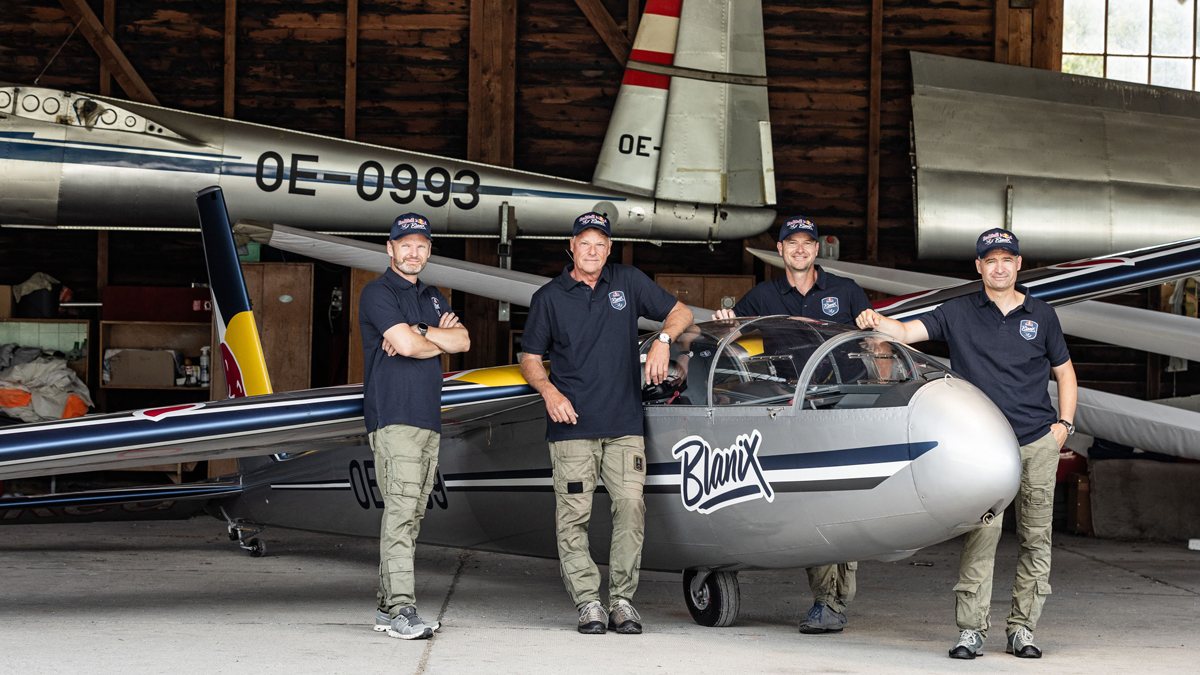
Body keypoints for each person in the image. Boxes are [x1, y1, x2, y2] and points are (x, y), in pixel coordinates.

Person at [856, 227, 1078, 660]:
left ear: (1018, 264)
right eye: (989, 260)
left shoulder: (1042, 315)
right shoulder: (957, 311)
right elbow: (904, 333)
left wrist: (1064, 425)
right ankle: (971, 630)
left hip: (1036, 440)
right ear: (978, 267)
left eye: (1006, 259)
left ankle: (1023, 629)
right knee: (982, 534)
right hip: (983, 446)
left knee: (1036, 537)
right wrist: (875, 322)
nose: (999, 266)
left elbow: (1065, 373)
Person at [520, 212, 694, 635]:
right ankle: (587, 603)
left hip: (623, 424)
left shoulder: (628, 282)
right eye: (585, 242)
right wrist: (549, 392)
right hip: (572, 425)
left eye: (601, 243)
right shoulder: (549, 297)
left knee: (631, 508)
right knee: (573, 515)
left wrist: (662, 341)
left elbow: (681, 312)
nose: (593, 250)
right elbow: (528, 358)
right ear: (571, 245)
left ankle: (621, 601)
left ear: (609, 248)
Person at [713, 215, 871, 634]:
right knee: (812, 501)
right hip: (794, 411)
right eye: (792, 243)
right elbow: (731, 331)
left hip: (846, 407)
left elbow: (871, 339)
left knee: (846, 499)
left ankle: (837, 597)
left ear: (817, 249)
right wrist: (725, 318)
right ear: (780, 250)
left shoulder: (845, 291)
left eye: (808, 243)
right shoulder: (763, 295)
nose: (800, 249)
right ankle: (826, 599)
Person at [359, 213, 471, 640]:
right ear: (390, 249)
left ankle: (388, 611)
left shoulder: (434, 296)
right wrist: (424, 339)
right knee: (402, 513)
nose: (414, 252)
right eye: (405, 244)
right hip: (395, 416)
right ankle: (403, 610)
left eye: (421, 245)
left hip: (427, 418)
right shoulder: (377, 292)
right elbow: (403, 345)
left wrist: (420, 331)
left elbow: (461, 342)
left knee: (413, 514)